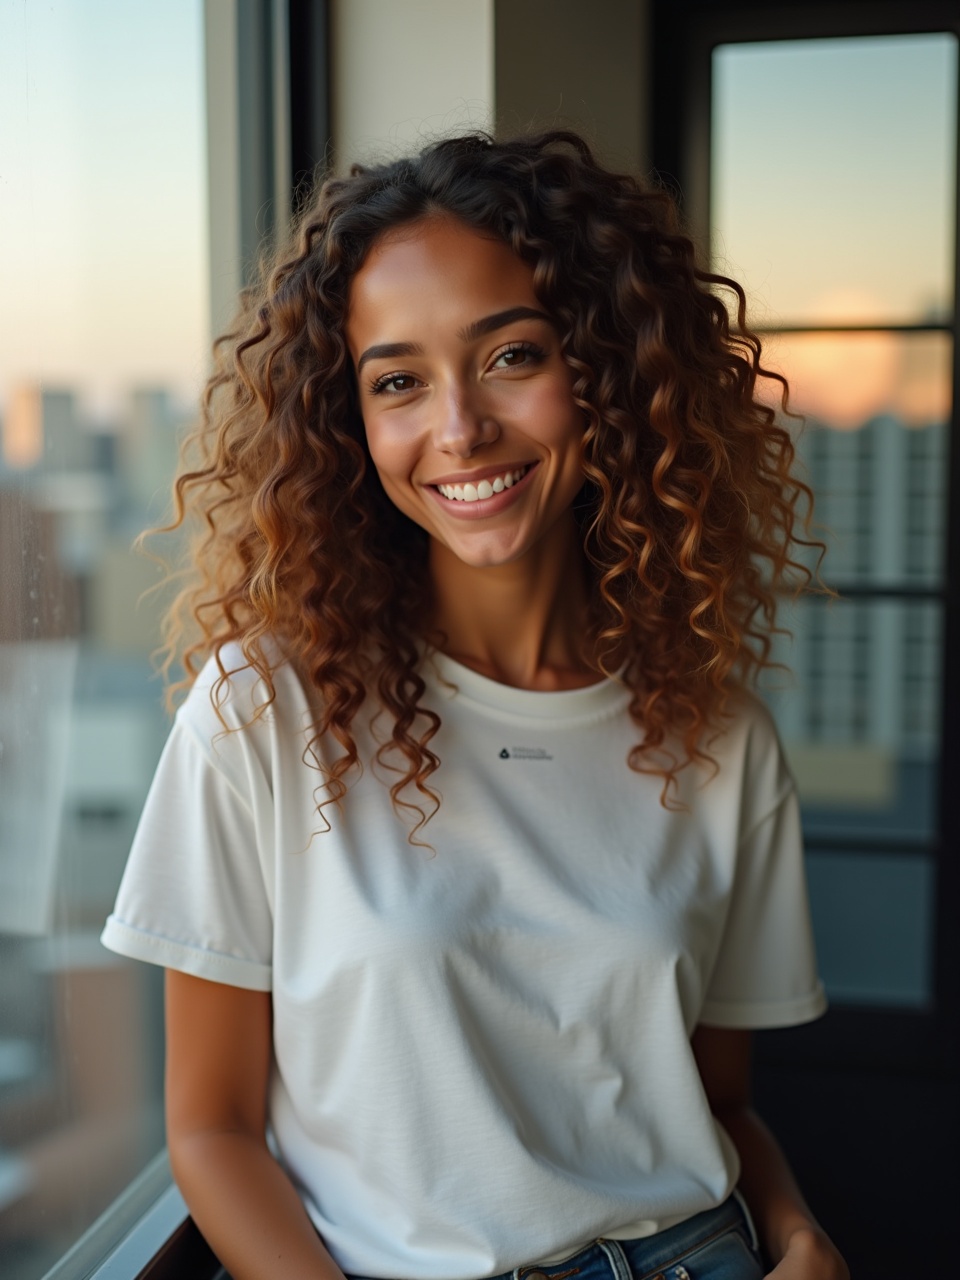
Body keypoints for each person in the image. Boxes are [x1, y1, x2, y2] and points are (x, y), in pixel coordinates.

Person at [101, 131, 849, 1280]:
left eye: (512, 355)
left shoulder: (719, 733)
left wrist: (798, 1232)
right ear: (348, 423)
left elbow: (714, 1106)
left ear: (611, 371)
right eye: (397, 380)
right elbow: (210, 1130)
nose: (458, 428)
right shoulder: (264, 709)